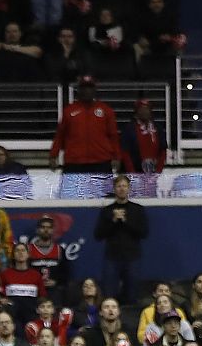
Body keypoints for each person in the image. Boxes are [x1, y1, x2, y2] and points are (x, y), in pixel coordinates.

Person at [94, 175, 149, 307]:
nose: (122, 189)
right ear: (114, 189)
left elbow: (143, 233)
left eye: (124, 186)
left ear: (129, 188)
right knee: (109, 294)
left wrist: (125, 221)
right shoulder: (107, 211)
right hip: (112, 258)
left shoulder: (137, 209)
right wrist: (113, 221)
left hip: (132, 258)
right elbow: (98, 235)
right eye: (119, 186)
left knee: (132, 294)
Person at [48, 75, 119, 175]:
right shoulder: (69, 111)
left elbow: (113, 136)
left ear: (94, 90)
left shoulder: (106, 110)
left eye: (90, 87)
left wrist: (117, 156)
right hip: (74, 162)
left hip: (101, 161)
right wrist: (53, 155)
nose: (87, 91)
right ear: (79, 90)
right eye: (84, 88)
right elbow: (60, 135)